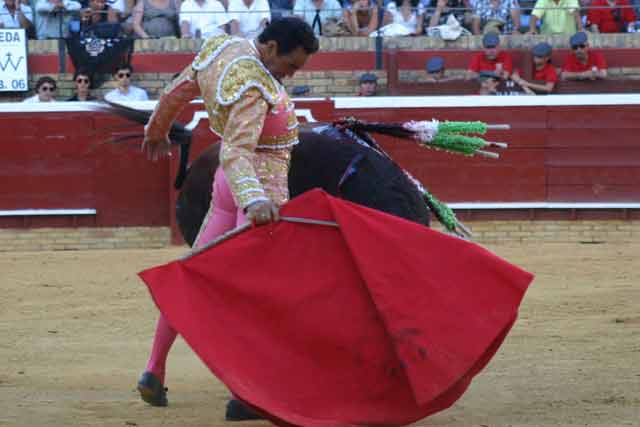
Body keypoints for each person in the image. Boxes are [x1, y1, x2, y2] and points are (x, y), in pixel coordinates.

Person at [137, 17, 319, 420]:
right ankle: (243, 393)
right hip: (258, 190)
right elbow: (239, 150)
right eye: (291, 64)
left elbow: (176, 91)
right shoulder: (256, 86)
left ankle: (154, 368)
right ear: (270, 47)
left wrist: (156, 128)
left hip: (224, 186)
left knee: (194, 276)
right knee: (250, 294)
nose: (292, 73)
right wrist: (254, 200)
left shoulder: (221, 47)